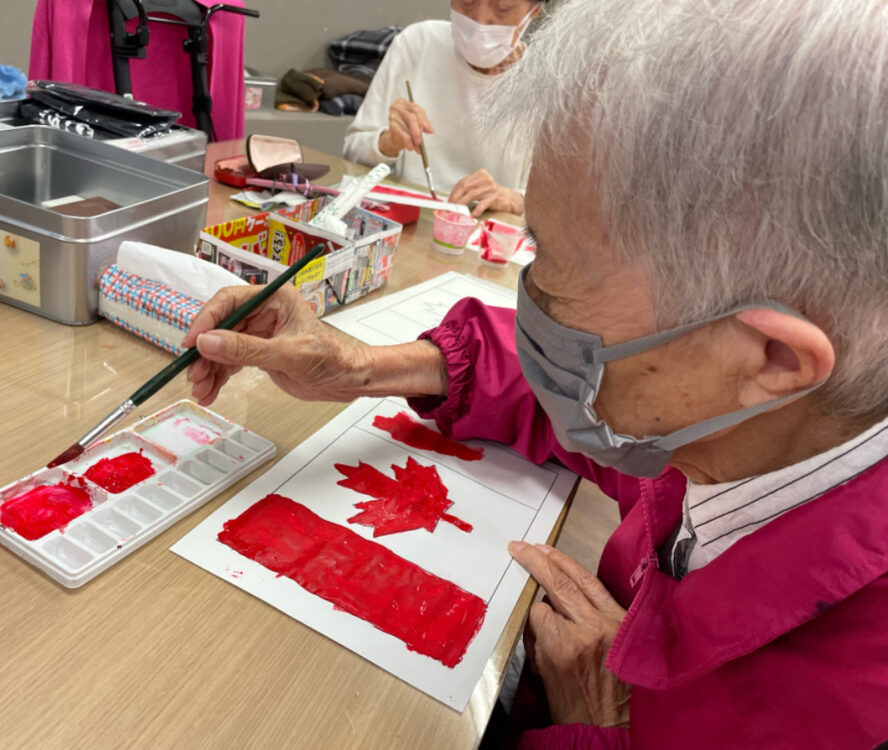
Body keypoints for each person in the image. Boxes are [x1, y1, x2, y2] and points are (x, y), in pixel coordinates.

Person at [184, 0, 888, 747]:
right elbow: (589, 395)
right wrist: (356, 365)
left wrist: (598, 727)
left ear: (770, 360)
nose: (532, 300)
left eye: (548, 262)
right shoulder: (758, 426)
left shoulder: (838, 706)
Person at [343, 0, 545, 217]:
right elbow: (352, 154)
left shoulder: (545, 81)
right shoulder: (418, 43)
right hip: (410, 224)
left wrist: (515, 200)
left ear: (533, 11)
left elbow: (558, 208)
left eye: (503, 8)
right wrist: (388, 143)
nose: (480, 21)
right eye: (467, 2)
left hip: (487, 237)